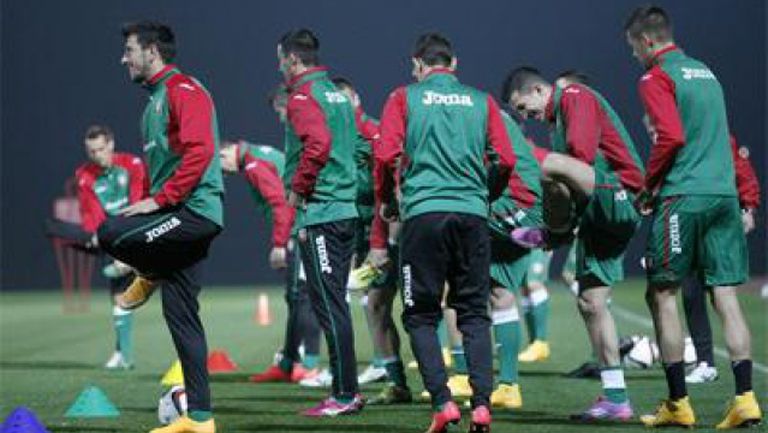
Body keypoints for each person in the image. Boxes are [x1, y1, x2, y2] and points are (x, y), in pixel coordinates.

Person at [626, 6, 762, 427]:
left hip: (684, 195)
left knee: (662, 294)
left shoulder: (655, 77)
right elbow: (722, 138)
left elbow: (670, 136)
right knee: (725, 296)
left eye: (633, 47)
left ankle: (678, 403)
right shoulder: (706, 73)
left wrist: (649, 187)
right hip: (723, 195)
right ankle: (745, 399)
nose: (634, 55)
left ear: (647, 41)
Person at [375, 32, 516, 433]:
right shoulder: (482, 100)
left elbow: (385, 156)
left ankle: (442, 402)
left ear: (418, 65)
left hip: (424, 215)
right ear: (453, 64)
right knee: (473, 312)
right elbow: (506, 159)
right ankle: (482, 406)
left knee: (420, 314)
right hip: (471, 216)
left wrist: (388, 201)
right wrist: (484, 195)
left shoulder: (403, 97)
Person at [98, 21, 224, 433]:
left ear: (151, 51)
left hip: (193, 212)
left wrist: (161, 199)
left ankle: (149, 271)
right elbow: (166, 168)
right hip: (176, 214)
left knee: (109, 233)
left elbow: (202, 150)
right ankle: (200, 419)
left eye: (129, 50)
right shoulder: (152, 104)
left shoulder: (183, 90)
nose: (123, 59)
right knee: (181, 316)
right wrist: (153, 200)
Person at [506, 65, 645, 421]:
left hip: (621, 192)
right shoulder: (556, 125)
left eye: (523, 107)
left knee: (543, 165)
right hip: (598, 212)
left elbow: (578, 158)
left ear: (539, 90)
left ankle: (550, 234)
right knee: (591, 302)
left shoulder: (573, 95)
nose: (526, 116)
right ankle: (616, 398)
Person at [277, 28, 364, 416]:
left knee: (329, 306)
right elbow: (357, 146)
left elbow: (318, 144)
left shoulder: (302, 96)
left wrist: (299, 189)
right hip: (345, 210)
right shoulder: (337, 95)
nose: (280, 67)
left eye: (281, 60)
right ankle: (346, 390)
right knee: (336, 304)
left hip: (322, 212)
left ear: (293, 60)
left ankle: (345, 395)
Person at [333, 77, 412, 403]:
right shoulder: (333, 137)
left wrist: (389, 239)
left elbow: (392, 188)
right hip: (363, 231)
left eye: (343, 99)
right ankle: (396, 382)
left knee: (420, 304)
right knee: (375, 304)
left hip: (394, 228)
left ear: (355, 99)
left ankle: (453, 378)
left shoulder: (374, 132)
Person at [219, 140, 321, 384]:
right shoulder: (258, 153)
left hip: (300, 228)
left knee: (302, 296)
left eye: (220, 166)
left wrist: (279, 243)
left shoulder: (254, 165)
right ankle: (288, 362)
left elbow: (280, 203)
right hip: (302, 224)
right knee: (296, 297)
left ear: (225, 152)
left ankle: (310, 366)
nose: (224, 174)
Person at [46, 124, 147, 369]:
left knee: (119, 295)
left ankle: (123, 354)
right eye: (91, 151)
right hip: (107, 236)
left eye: (100, 149)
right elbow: (91, 212)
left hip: (133, 230)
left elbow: (138, 202)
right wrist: (95, 236)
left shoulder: (132, 164)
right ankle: (122, 353)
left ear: (111, 145)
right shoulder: (84, 174)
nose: (96, 155)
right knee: (50, 226)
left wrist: (124, 240)